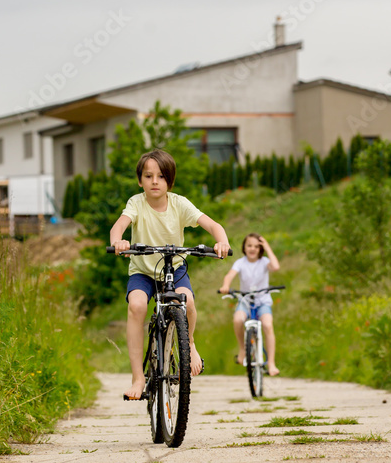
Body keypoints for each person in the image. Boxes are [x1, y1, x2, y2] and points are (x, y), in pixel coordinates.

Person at [110, 148, 230, 400]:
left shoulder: (179, 203)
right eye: (148, 176)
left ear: (170, 181)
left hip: (174, 268)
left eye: (161, 176)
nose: (155, 181)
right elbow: (119, 225)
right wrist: (118, 241)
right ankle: (137, 376)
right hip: (142, 271)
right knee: (136, 306)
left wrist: (221, 242)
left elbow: (212, 225)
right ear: (140, 180)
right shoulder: (136, 203)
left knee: (187, 300)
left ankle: (190, 345)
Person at [219, 232, 280, 375]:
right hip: (245, 299)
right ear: (244, 248)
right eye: (249, 246)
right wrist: (225, 286)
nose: (252, 249)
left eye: (256, 246)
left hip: (262, 300)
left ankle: (271, 363)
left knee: (267, 325)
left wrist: (267, 246)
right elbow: (229, 276)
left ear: (260, 249)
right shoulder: (240, 262)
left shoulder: (264, 261)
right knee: (238, 319)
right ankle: (242, 349)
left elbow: (276, 266)